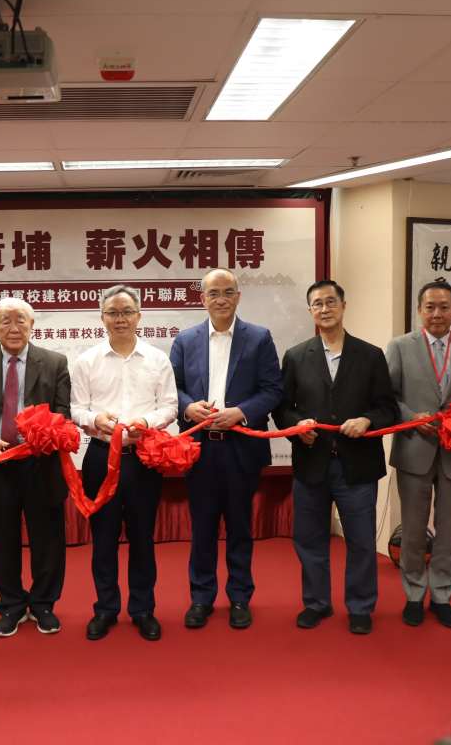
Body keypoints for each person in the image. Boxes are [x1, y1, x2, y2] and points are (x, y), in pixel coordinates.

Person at [274, 280, 397, 634]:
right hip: (311, 462)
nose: (324, 309)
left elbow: (388, 408)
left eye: (331, 302)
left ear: (344, 305)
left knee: (360, 541)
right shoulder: (296, 356)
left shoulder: (370, 355)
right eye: (317, 304)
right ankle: (316, 603)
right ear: (310, 311)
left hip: (356, 465)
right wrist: (297, 426)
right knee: (309, 539)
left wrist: (367, 420)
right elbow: (281, 409)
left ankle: (360, 606)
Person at [170, 268, 283, 630]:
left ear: (238, 296)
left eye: (228, 292)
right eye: (213, 293)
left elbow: (273, 389)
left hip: (240, 447)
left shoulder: (259, 338)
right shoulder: (185, 339)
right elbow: (172, 388)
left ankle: (239, 597)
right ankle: (201, 598)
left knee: (239, 527)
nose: (221, 299)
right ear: (202, 298)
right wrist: (188, 407)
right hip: (200, 448)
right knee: (202, 528)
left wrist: (241, 412)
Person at [0, 298, 71, 637]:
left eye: (20, 319)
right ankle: (11, 605)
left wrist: (43, 434)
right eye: (5, 321)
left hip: (41, 463)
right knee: (1, 540)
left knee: (47, 540)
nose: (13, 327)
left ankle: (43, 604)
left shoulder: (54, 362)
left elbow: (63, 412)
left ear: (32, 325)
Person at [70, 285, 178, 641]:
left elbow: (170, 406)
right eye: (113, 313)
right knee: (103, 537)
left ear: (139, 316)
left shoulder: (157, 359)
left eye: (127, 312)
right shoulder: (87, 360)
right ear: (102, 318)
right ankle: (105, 609)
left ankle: (143, 609)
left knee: (142, 537)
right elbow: (76, 408)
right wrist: (94, 419)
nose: (120, 319)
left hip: (144, 458)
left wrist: (147, 422)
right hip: (101, 458)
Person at [386, 280, 451, 629]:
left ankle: (442, 594)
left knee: (448, 529)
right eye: (429, 307)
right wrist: (411, 418)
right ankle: (414, 594)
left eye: (444, 307)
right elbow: (387, 397)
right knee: (414, 530)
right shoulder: (400, 347)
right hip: (414, 449)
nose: (437, 314)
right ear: (419, 310)